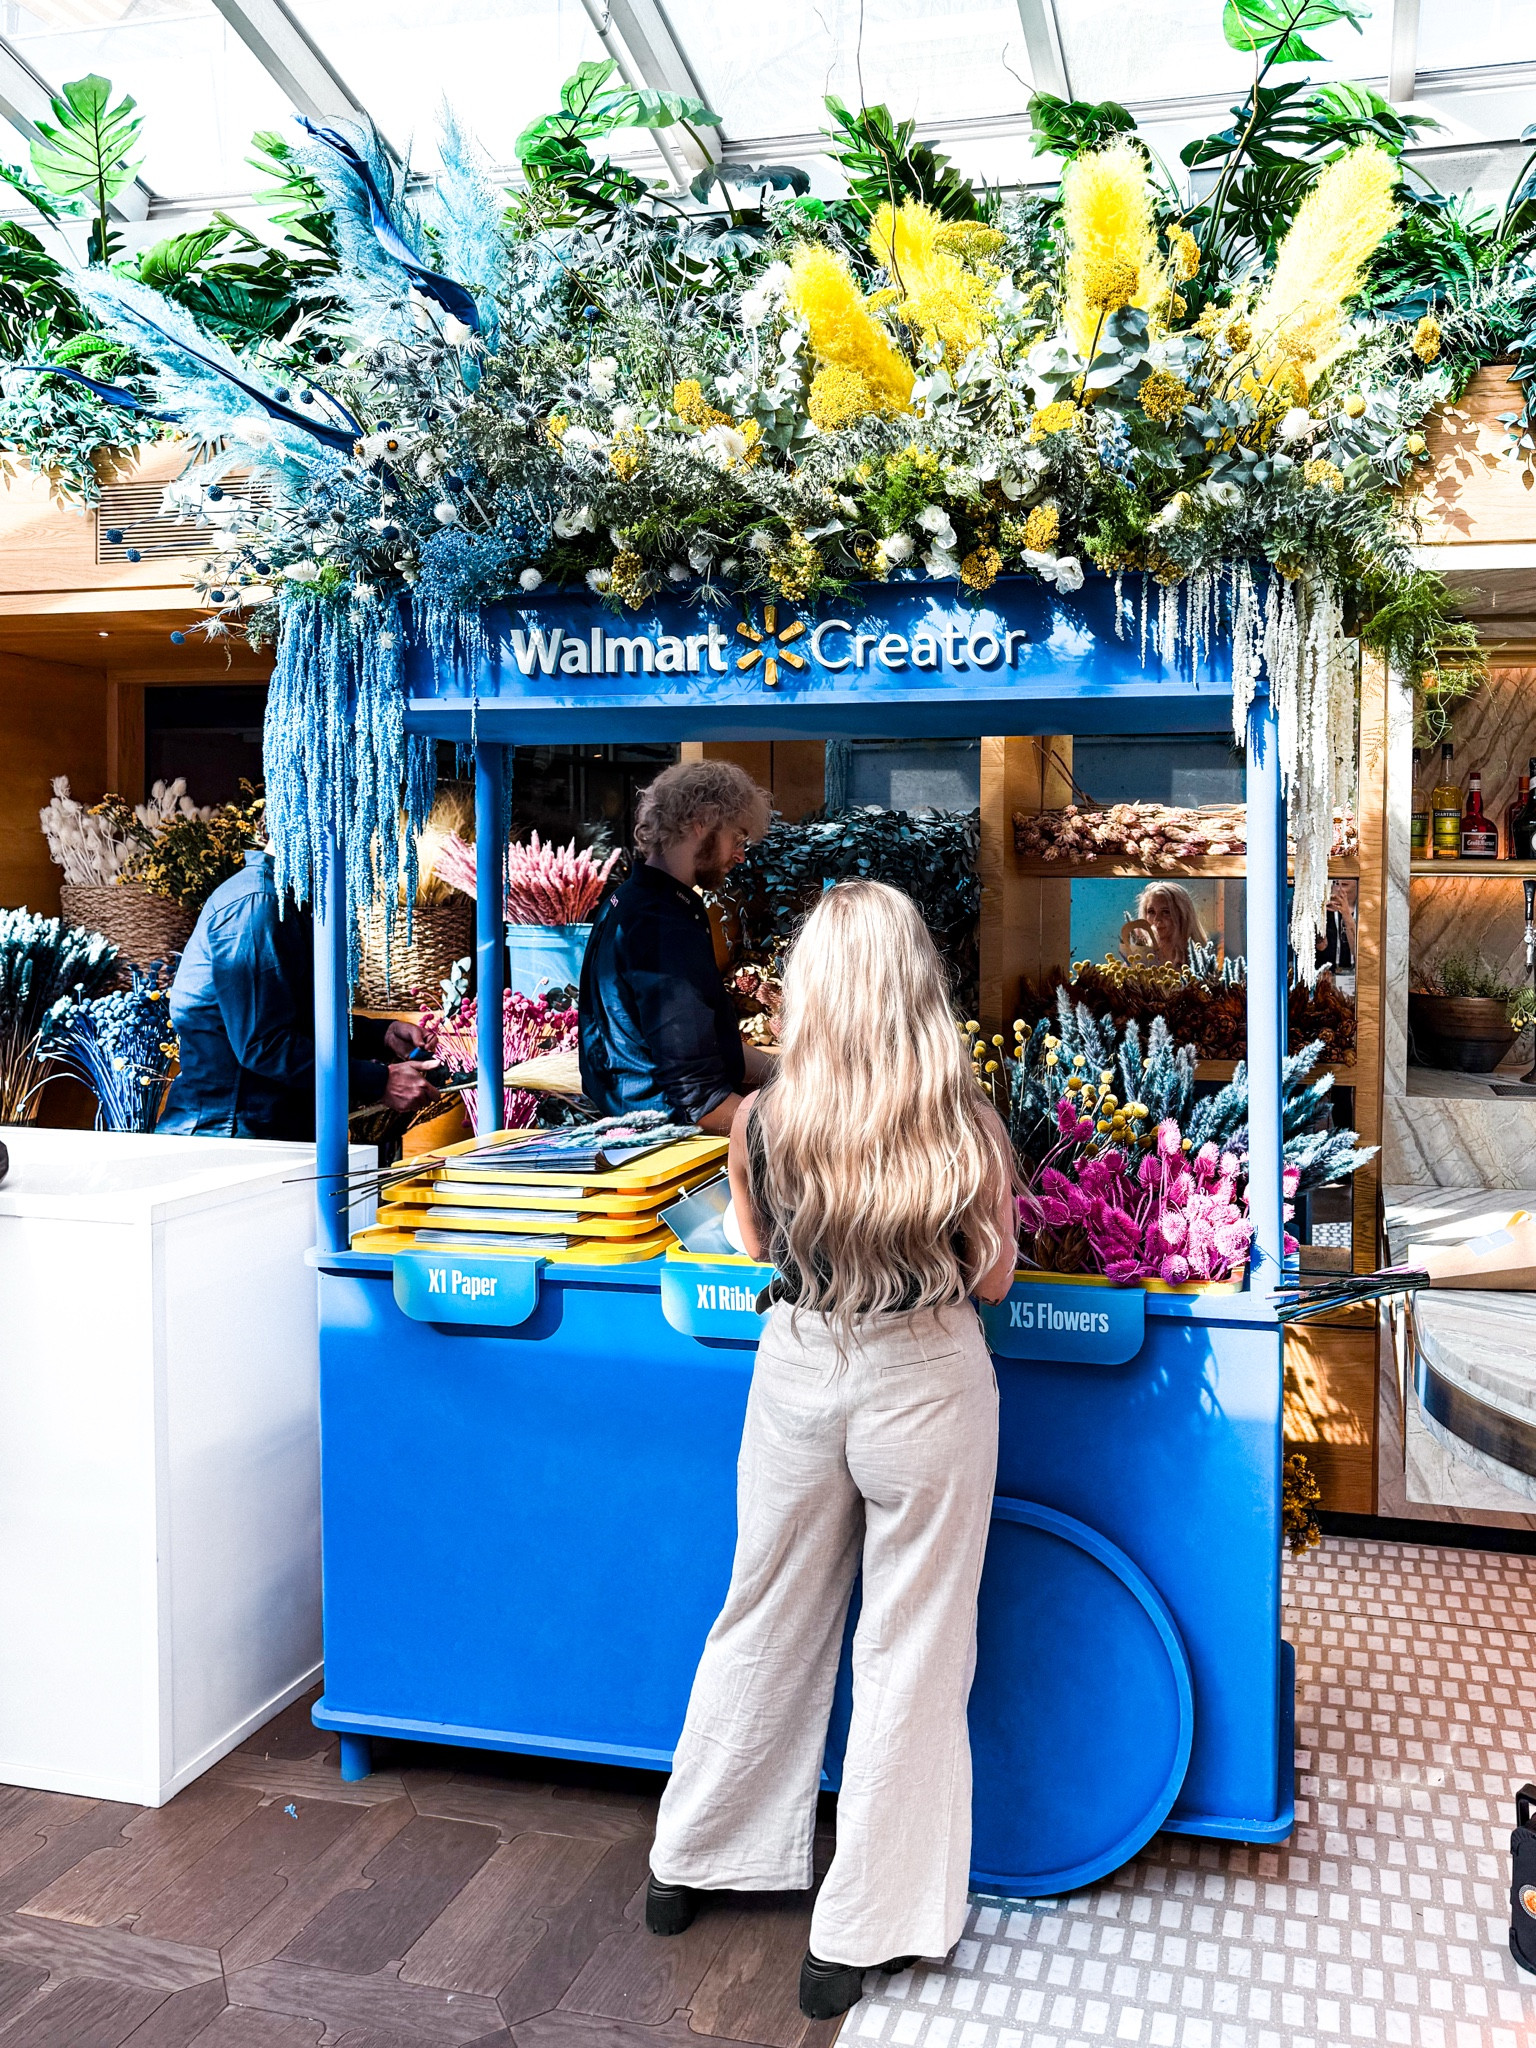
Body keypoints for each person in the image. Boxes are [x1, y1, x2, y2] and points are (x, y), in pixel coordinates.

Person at [644, 880, 1018, 2022]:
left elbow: (755, 1247)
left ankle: (691, 1861)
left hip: (800, 1370)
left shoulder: (762, 1123)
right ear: (919, 988)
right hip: (926, 1376)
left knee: (762, 1611)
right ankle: (854, 1935)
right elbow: (995, 1279)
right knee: (913, 1649)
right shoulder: (965, 1124)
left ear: (808, 988)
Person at [160, 847, 437, 1139]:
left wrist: (381, 1034)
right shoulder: (259, 904)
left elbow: (296, 1020)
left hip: (264, 1129)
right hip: (232, 1135)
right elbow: (265, 1042)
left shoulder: (292, 899)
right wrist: (378, 1081)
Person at [579, 759, 775, 1134]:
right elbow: (701, 1101)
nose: (740, 856)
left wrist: (791, 1072)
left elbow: (710, 1051)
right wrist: (803, 1131)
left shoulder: (631, 901)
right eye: (737, 838)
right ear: (702, 820)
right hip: (668, 1145)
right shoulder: (662, 923)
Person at [1126, 880, 1207, 968]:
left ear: (1182, 915)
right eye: (1151, 912)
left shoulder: (1203, 961)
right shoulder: (1137, 959)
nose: (1157, 919)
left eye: (1166, 912)